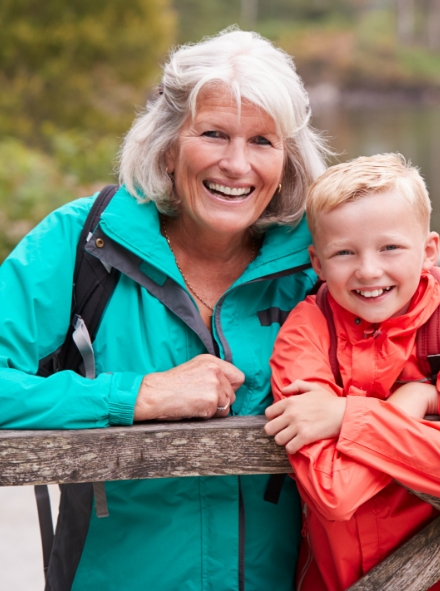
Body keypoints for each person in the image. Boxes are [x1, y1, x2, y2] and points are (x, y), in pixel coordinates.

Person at [0, 30, 329, 590]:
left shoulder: (324, 258)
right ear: (169, 142)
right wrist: (136, 396)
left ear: (288, 158)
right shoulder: (81, 242)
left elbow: (434, 323)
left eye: (262, 142)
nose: (236, 164)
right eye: (214, 134)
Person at [264, 153, 440, 591]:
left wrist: (347, 415)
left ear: (429, 252)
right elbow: (333, 493)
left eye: (390, 247)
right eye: (344, 252)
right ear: (318, 264)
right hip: (334, 577)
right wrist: (415, 403)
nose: (368, 270)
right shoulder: (307, 332)